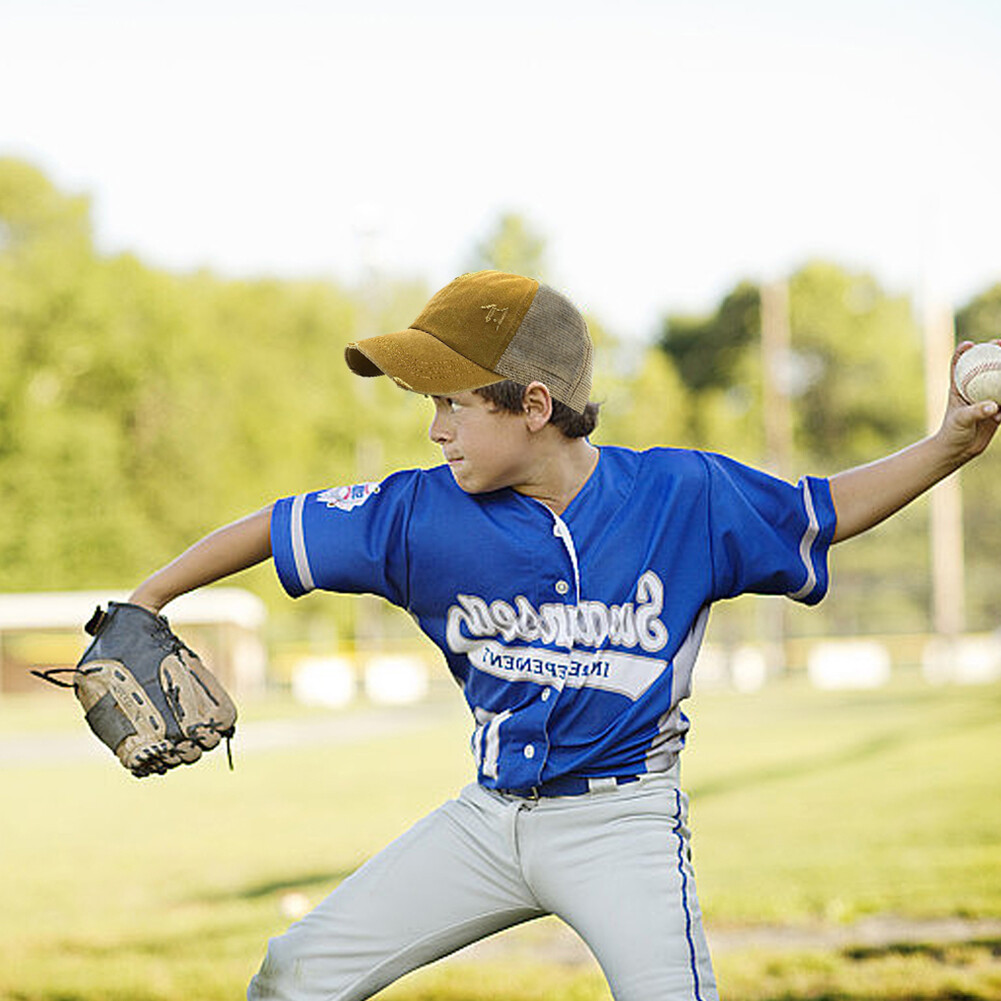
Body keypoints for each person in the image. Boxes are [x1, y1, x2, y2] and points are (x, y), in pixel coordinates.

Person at [127, 270, 1000, 1001]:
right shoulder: (419, 513)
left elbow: (824, 508)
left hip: (622, 820)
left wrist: (950, 445)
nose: (434, 429)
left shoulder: (681, 497)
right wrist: (147, 601)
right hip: (487, 818)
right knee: (293, 975)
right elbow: (274, 527)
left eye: (452, 404)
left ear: (533, 404)